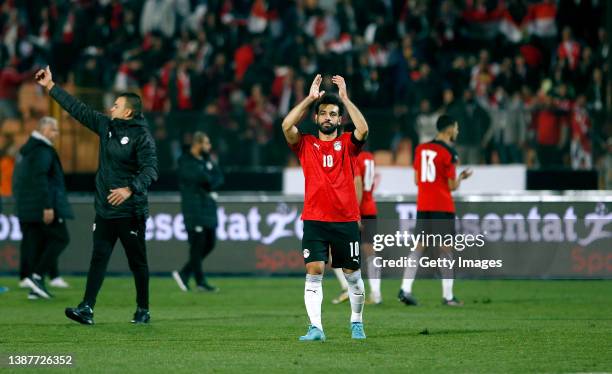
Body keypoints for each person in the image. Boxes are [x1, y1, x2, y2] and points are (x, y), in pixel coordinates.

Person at [34, 66, 158, 325]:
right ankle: (86, 308)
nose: (110, 108)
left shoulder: (142, 136)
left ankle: (143, 309)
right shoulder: (106, 126)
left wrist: (129, 189)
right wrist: (51, 87)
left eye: (116, 105)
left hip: (130, 210)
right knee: (98, 258)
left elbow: (151, 170)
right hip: (105, 209)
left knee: (138, 262)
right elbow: (77, 109)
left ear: (128, 111)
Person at [283, 74, 369, 341]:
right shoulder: (306, 144)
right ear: (316, 118)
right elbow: (286, 125)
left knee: (352, 275)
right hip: (315, 220)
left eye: (333, 113)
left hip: (344, 220)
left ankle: (356, 321)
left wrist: (345, 99)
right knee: (315, 270)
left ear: (340, 119)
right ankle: (316, 328)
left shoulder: (347, 146)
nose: (328, 117)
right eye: (323, 113)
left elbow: (363, 130)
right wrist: (310, 98)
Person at [398, 114, 472, 307]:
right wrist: (462, 178)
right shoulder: (450, 153)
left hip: (424, 205)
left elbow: (416, 180)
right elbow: (452, 186)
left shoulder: (421, 149)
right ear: (448, 129)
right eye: (455, 127)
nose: (457, 131)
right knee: (445, 250)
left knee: (418, 248)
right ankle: (448, 296)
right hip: (442, 206)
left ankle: (405, 288)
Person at [13, 116, 73, 300]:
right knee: (61, 238)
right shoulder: (43, 151)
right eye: (53, 129)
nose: (57, 133)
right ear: (43, 130)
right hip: (43, 205)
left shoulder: (28, 150)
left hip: (28, 206)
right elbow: (41, 180)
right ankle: (37, 277)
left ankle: (35, 288)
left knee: (36, 243)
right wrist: (47, 206)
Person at [172, 132, 224, 292]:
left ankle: (185, 273)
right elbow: (203, 179)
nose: (209, 147)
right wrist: (209, 179)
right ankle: (200, 281)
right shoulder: (185, 160)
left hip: (207, 207)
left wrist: (209, 180)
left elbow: (219, 178)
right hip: (193, 208)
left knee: (210, 243)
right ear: (197, 144)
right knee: (198, 244)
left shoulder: (207, 160)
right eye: (206, 144)